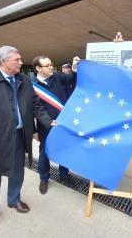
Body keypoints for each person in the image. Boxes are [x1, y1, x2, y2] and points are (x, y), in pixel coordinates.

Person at [0, 46, 53, 235]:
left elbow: (35, 105)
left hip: (20, 135)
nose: (21, 62)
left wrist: (49, 123)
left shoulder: (24, 79)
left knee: (17, 170)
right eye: (17, 59)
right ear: (3, 62)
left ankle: (14, 199)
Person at [32, 55, 79, 194]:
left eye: (51, 64)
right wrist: (34, 130)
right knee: (44, 152)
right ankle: (44, 178)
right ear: (38, 68)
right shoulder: (31, 85)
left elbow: (72, 78)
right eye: (47, 65)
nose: (51, 67)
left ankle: (64, 175)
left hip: (63, 123)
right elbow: (32, 109)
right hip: (45, 126)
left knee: (64, 149)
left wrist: (75, 66)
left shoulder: (57, 77)